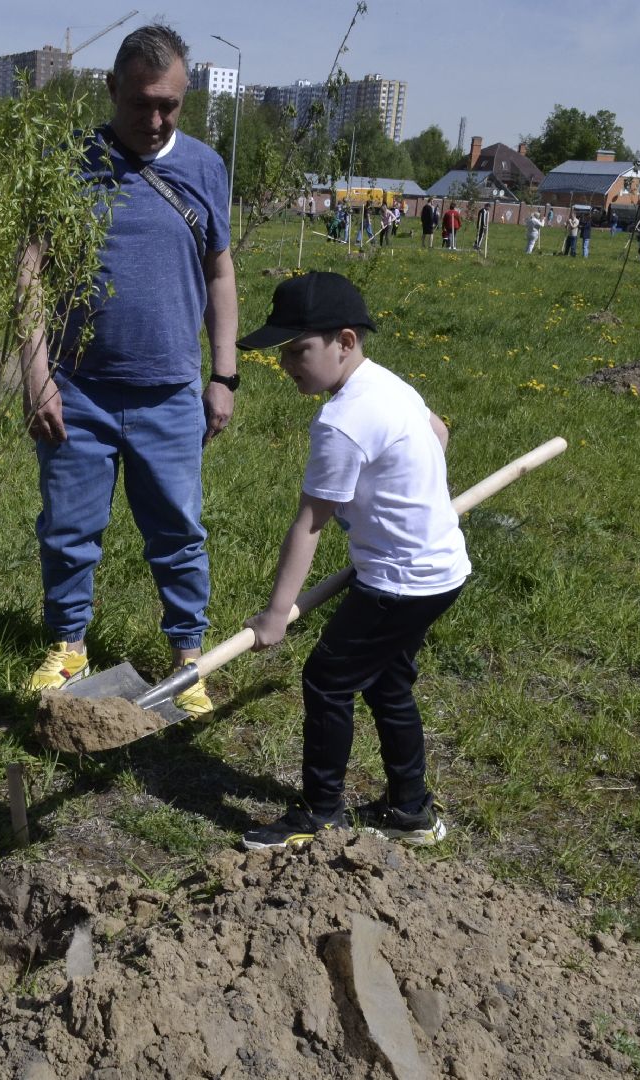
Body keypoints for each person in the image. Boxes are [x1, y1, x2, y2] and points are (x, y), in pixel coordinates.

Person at [20, 24, 238, 716]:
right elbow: (29, 273)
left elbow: (220, 273)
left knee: (177, 533)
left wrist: (222, 374)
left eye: (169, 105)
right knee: (67, 529)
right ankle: (68, 645)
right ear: (111, 89)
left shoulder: (204, 168)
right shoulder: (67, 162)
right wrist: (36, 376)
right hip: (75, 391)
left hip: (169, 394)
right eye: (140, 103)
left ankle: (186, 656)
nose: (153, 119)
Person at [234, 271, 469, 850]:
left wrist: (275, 612)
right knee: (388, 683)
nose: (288, 363)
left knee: (327, 679)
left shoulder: (342, 422)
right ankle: (411, 812)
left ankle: (319, 813)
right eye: (282, 352)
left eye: (298, 350)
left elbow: (310, 523)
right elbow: (437, 434)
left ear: (344, 340)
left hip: (399, 581)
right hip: (441, 570)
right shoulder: (389, 386)